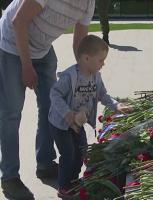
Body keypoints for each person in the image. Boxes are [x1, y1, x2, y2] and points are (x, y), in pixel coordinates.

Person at [0, 0, 95, 199]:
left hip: (43, 51)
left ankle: (45, 163)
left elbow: (79, 43)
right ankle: (9, 178)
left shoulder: (88, 3)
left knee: (52, 108)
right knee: (11, 113)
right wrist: (26, 67)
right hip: (11, 45)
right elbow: (18, 22)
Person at [48, 34, 132, 198]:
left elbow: (103, 95)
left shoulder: (95, 77)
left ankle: (73, 180)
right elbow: (54, 94)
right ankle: (64, 186)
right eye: (100, 60)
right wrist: (68, 114)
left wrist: (116, 105)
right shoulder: (70, 77)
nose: (103, 64)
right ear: (87, 58)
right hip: (61, 124)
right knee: (68, 154)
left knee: (81, 151)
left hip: (78, 124)